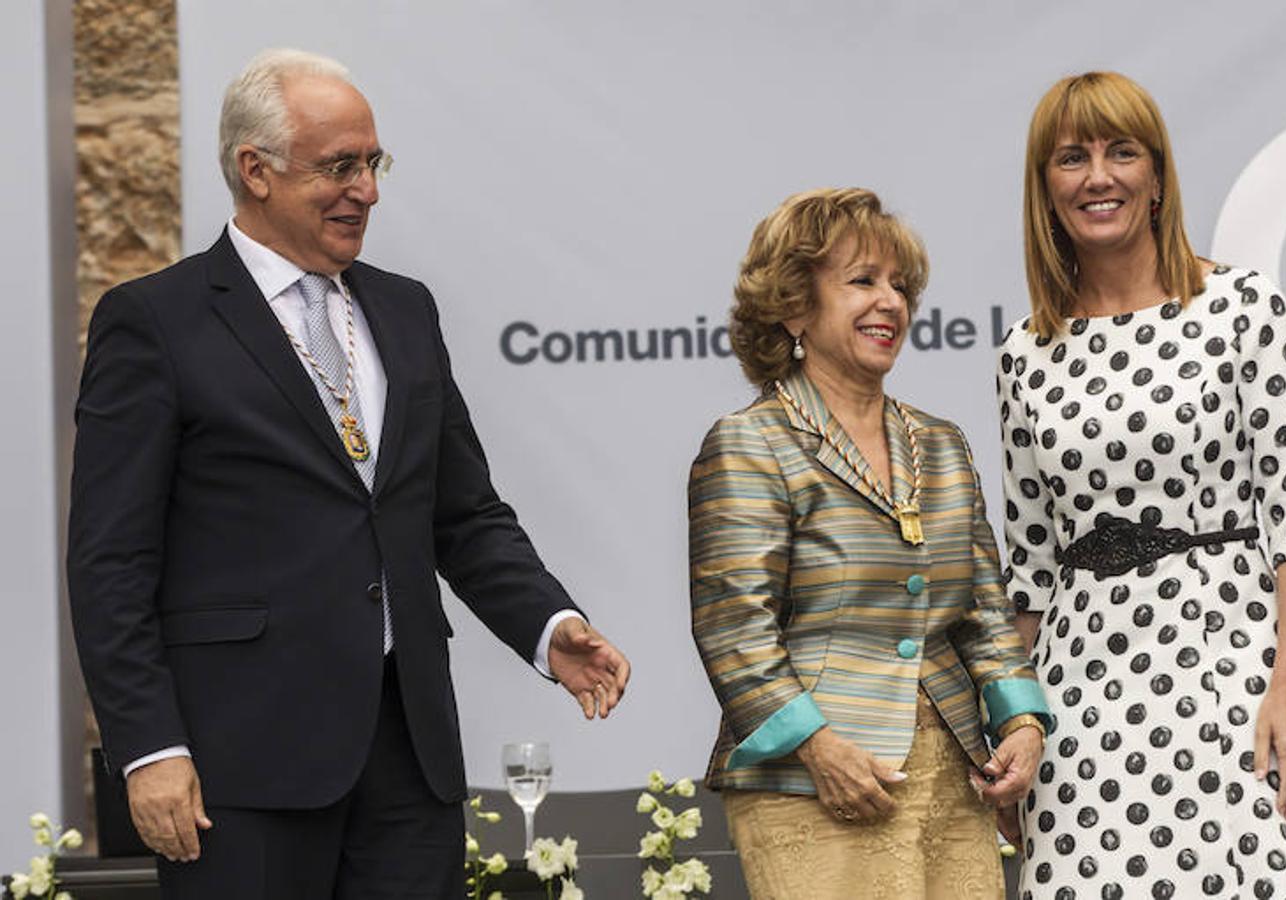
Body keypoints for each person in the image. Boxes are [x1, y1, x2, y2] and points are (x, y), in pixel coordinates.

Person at [66, 48, 630, 898]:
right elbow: (110, 560)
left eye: (373, 163)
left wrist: (550, 627)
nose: (366, 188)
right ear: (255, 170)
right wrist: (150, 748)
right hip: (239, 771)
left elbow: (462, 515)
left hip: (409, 757)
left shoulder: (406, 310)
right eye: (339, 166)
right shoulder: (154, 321)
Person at [997, 71, 1286, 899]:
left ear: (1156, 177)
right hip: (1083, 692)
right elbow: (1032, 567)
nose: (1098, 176)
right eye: (1071, 158)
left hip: (1231, 661)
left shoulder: (1243, 307)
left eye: (1121, 152)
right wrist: (1016, 720)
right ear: (1046, 188)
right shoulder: (1022, 352)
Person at [688, 187, 1052, 899]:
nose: (890, 302)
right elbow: (735, 627)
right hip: (810, 779)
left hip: (952, 776)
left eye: (898, 286)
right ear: (794, 305)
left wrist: (1023, 724)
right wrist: (817, 747)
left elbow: (983, 610)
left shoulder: (941, 444)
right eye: (862, 282)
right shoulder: (749, 442)